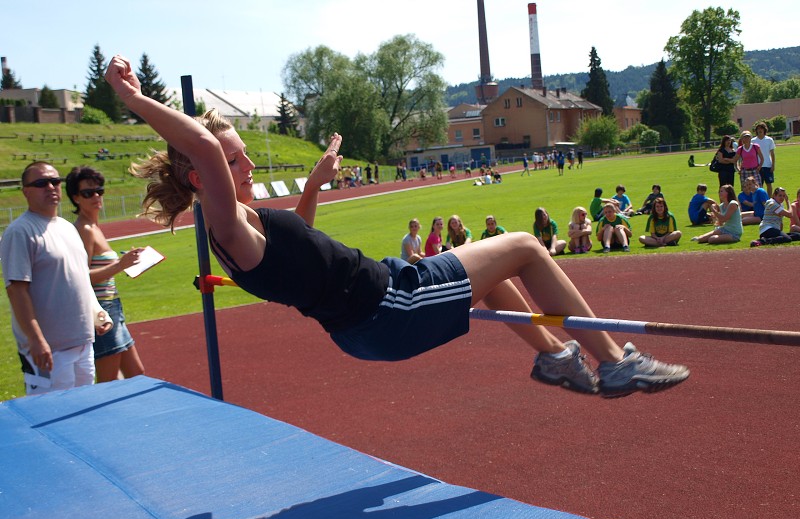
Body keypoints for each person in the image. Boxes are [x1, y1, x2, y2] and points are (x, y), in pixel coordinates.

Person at [106, 54, 688, 398]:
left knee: (493, 270)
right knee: (525, 246)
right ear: (201, 178)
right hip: (388, 306)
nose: (248, 164)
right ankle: (615, 362)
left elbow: (297, 248)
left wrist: (314, 185)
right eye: (234, 161)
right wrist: (135, 98)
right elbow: (203, 144)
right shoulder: (226, 226)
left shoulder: (240, 229)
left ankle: (555, 355)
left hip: (369, 313)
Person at [0, 161, 112, 395]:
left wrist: (97, 312)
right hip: (50, 350)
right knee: (51, 412)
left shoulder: (67, 228)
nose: (50, 187)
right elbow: (16, 290)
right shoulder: (20, 232)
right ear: (26, 191)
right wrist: (36, 339)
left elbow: (80, 278)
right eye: (41, 183)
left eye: (55, 181)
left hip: (82, 342)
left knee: (83, 407)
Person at [67, 166, 146, 382]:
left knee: (135, 374)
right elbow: (82, 277)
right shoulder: (84, 229)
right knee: (109, 381)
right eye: (88, 193)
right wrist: (120, 265)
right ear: (75, 198)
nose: (96, 196)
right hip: (100, 310)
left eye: (99, 191)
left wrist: (129, 262)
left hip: (113, 306)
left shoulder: (94, 227)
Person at [753, 122, 776, 197]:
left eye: (761, 129)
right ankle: (761, 199)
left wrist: (773, 165)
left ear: (764, 130)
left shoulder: (769, 140)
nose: (760, 130)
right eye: (758, 129)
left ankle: (769, 199)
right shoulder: (753, 141)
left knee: (769, 183)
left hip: (767, 165)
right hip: (757, 166)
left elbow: (772, 153)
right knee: (759, 185)